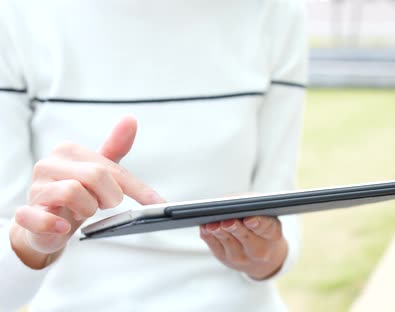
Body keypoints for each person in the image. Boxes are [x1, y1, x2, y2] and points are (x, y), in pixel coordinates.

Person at [0, 1, 307, 311]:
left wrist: (264, 254)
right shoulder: (16, 16)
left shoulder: (275, 11)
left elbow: (280, 213)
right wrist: (32, 242)